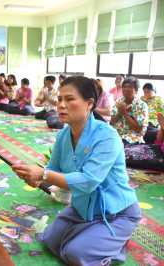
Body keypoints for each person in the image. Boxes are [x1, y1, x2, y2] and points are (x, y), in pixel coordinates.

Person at [12, 76, 141, 265]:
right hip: (82, 207)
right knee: (49, 239)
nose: (61, 105)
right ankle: (98, 237)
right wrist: (39, 180)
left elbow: (88, 181)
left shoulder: (107, 137)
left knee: (76, 254)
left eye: (69, 99)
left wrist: (43, 175)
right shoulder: (64, 135)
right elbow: (53, 169)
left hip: (115, 212)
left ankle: (115, 241)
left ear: (89, 103)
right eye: (59, 99)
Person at [110, 77, 149, 145]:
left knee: (116, 145)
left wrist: (125, 114)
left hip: (133, 137)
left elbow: (139, 130)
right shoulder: (119, 101)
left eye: (130, 87)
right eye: (125, 87)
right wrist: (119, 113)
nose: (127, 89)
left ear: (136, 90)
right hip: (117, 135)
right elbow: (112, 122)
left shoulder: (142, 105)